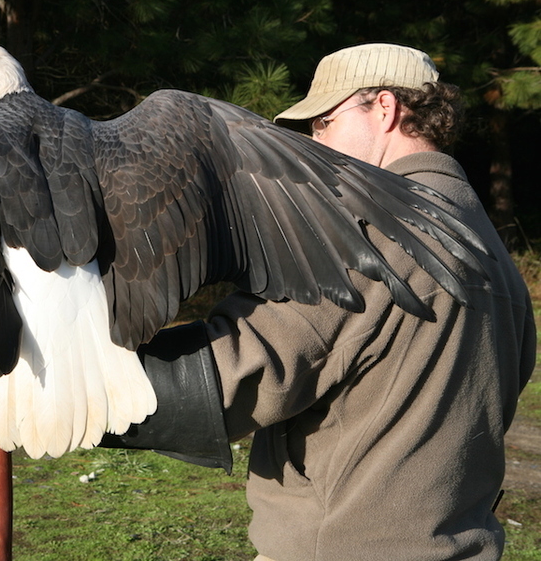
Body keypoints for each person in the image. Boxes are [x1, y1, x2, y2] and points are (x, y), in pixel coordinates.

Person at [101, 43, 537, 560]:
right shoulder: (489, 248)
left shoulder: (369, 235)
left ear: (384, 108)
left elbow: (230, 378)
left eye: (325, 122)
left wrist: (39, 394)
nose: (313, 141)